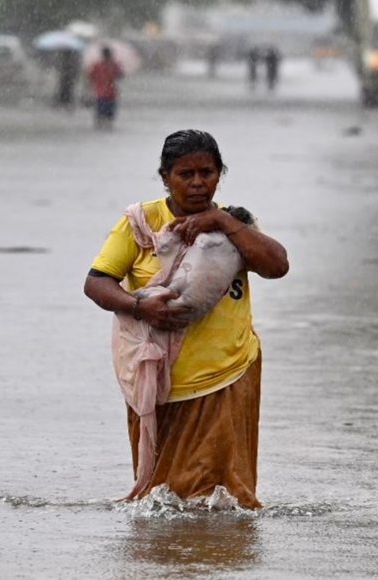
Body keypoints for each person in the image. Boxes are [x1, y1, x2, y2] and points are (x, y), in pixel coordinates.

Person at [84, 130, 289, 509]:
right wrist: (138, 306)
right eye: (185, 174)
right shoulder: (140, 223)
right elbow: (97, 283)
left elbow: (277, 266)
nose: (198, 183)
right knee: (162, 500)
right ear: (165, 177)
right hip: (156, 378)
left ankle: (210, 561)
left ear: (219, 174)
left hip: (226, 373)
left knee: (221, 499)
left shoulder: (234, 225)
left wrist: (222, 223)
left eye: (207, 173)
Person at [87, 46, 124, 130]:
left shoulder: (97, 65)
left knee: (101, 110)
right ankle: (106, 124)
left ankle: (100, 123)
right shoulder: (113, 65)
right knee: (109, 112)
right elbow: (120, 76)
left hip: (101, 92)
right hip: (110, 92)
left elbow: (90, 77)